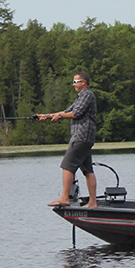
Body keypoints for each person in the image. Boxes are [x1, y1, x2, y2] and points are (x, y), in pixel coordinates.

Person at [43, 72, 98, 207]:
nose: (73, 84)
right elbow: (67, 110)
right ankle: (92, 202)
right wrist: (46, 115)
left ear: (83, 82)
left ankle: (65, 198)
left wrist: (60, 116)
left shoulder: (87, 95)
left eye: (75, 81)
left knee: (67, 166)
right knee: (87, 170)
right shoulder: (81, 97)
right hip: (84, 138)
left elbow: (75, 113)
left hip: (81, 137)